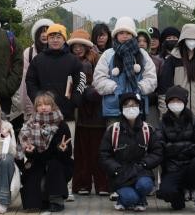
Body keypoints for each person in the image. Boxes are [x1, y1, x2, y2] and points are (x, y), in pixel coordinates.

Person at [98, 92, 163, 211]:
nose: (131, 108)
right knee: (130, 198)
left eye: (134, 105)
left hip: (141, 172)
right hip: (121, 175)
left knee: (145, 185)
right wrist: (116, 169)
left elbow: (157, 152)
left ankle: (141, 198)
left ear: (139, 107)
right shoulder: (114, 130)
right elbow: (104, 155)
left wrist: (144, 164)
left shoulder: (147, 129)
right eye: (127, 105)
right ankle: (127, 199)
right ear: (121, 108)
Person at [157, 86, 195, 215]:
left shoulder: (194, 120)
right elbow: (161, 146)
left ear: (184, 102)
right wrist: (186, 147)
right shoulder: (163, 122)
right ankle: (179, 195)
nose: (175, 103)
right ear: (167, 103)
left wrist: (175, 149)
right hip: (172, 168)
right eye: (172, 101)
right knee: (166, 193)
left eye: (178, 100)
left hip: (191, 165)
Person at [68, 29, 110, 196]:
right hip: (78, 111)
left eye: (81, 46)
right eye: (75, 46)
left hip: (97, 110)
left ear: (87, 47)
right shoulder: (69, 61)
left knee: (99, 150)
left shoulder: (99, 60)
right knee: (81, 151)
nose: (78, 49)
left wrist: (87, 90)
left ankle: (102, 185)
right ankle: (82, 184)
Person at [94, 17, 158, 123]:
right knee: (114, 134)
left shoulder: (142, 54)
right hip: (114, 109)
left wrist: (138, 88)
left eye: (128, 33)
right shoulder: (108, 54)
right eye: (121, 33)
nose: (125, 36)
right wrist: (115, 88)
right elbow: (98, 80)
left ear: (133, 35)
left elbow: (151, 79)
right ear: (116, 35)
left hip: (137, 107)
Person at [19, 92, 74, 212]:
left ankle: (56, 200)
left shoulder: (61, 125)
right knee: (32, 170)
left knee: (54, 166)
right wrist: (31, 152)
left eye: (47, 104)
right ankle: (37, 201)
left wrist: (62, 149)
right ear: (36, 108)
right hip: (39, 160)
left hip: (58, 162)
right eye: (40, 105)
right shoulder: (30, 124)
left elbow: (67, 153)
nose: (43, 107)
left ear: (53, 106)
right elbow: (30, 154)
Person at [157, 24, 195, 131]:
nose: (192, 41)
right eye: (189, 38)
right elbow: (164, 89)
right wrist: (165, 115)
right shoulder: (172, 60)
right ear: (183, 40)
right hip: (177, 115)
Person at [25, 23, 85, 128]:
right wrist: (39, 100)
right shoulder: (38, 60)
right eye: (52, 37)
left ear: (64, 39)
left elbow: (80, 82)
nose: (55, 40)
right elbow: (30, 82)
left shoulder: (73, 60)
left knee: (66, 139)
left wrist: (74, 101)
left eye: (58, 37)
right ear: (47, 39)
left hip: (67, 116)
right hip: (43, 115)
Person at [11, 18, 52, 130]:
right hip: (33, 105)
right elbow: (25, 84)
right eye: (41, 31)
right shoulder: (28, 53)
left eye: (47, 31)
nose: (44, 34)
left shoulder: (57, 53)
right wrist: (28, 109)